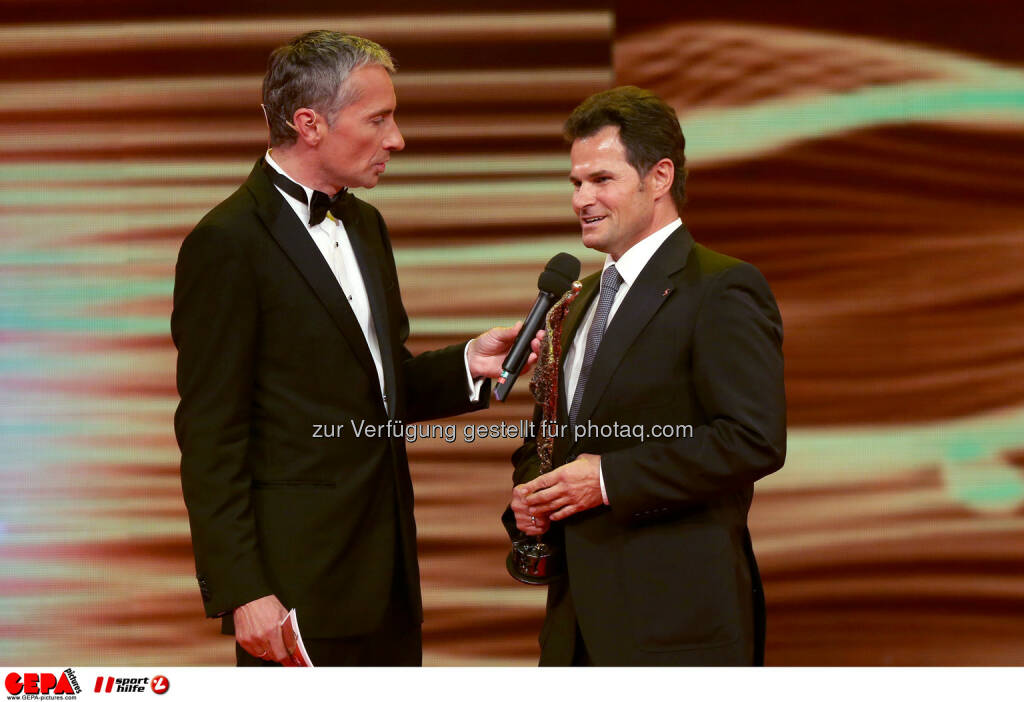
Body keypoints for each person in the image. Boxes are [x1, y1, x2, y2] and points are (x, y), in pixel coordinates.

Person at [173, 30, 534, 667]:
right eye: (379, 119)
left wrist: (467, 367)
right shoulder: (226, 242)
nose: (397, 139)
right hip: (294, 591)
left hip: (389, 578)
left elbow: (378, 389)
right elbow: (210, 433)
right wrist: (243, 590)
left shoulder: (365, 224)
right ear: (310, 123)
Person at [506, 86, 786, 665]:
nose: (582, 198)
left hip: (675, 627)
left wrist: (608, 479)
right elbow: (552, 442)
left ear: (659, 178)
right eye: (576, 183)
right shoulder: (574, 301)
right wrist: (532, 495)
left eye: (601, 180)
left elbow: (751, 438)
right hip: (574, 628)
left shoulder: (721, 287)